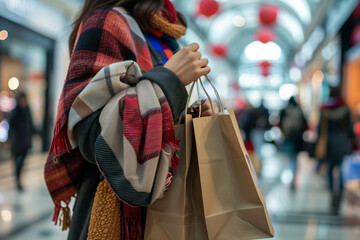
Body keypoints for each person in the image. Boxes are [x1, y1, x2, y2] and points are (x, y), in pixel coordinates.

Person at [43, 0, 218, 239]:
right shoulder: (106, 21)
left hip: (168, 209)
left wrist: (189, 116)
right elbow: (93, 137)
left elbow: (159, 125)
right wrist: (168, 82)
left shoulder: (166, 37)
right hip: (118, 216)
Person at [316, 87, 355, 214]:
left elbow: (320, 129)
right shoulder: (344, 108)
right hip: (342, 142)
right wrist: (353, 141)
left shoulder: (324, 109)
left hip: (329, 143)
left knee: (330, 171)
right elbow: (349, 128)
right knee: (342, 170)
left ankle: (333, 193)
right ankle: (340, 195)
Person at [279, 96, 307, 190]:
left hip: (288, 138)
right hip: (297, 139)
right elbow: (304, 123)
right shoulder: (299, 110)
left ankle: (291, 176)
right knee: (295, 159)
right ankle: (294, 176)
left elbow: (280, 123)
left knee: (290, 158)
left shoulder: (285, 110)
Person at [8, 92, 34, 191]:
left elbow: (31, 125)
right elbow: (11, 128)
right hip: (17, 143)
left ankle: (19, 179)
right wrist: (10, 140)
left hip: (25, 142)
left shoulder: (27, 110)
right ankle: (17, 181)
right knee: (17, 163)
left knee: (22, 162)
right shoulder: (15, 113)